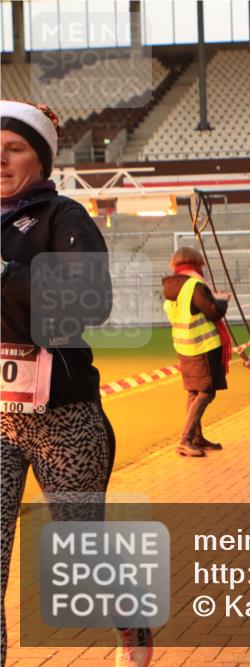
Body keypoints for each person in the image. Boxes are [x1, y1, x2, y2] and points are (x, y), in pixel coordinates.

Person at [1, 100, 152, 666]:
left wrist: (7, 275)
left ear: (39, 156)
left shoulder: (62, 217)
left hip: (64, 416)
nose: (0, 159)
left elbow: (91, 300)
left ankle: (131, 625)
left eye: (13, 148)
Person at [162, 247, 231, 458]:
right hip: (203, 346)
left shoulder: (173, 286)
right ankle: (185, 440)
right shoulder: (195, 284)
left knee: (194, 391)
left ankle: (196, 437)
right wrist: (222, 301)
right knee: (206, 392)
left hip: (185, 345)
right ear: (196, 262)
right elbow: (212, 311)